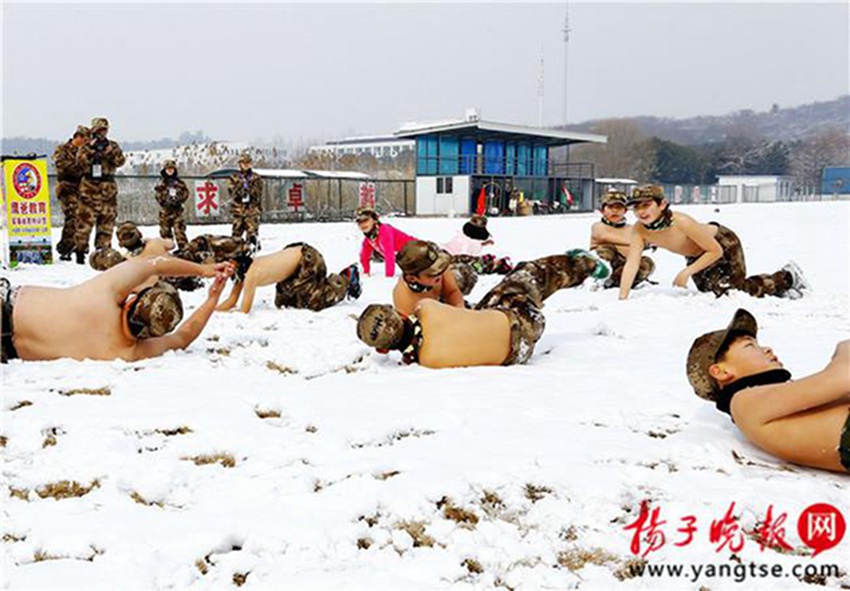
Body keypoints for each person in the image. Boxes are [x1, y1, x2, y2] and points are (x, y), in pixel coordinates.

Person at [356, 249, 610, 368]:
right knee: (526, 275)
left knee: (506, 289)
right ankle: (583, 264)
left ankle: (573, 266)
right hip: (519, 318)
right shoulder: (423, 307)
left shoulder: (428, 361)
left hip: (515, 353)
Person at [687, 308, 850, 473]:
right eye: (749, 345)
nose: (767, 349)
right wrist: (843, 348)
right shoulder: (743, 401)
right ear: (721, 372)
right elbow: (844, 377)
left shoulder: (761, 396)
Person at [0, 257, 233, 363]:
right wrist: (212, 299)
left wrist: (203, 270)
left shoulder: (104, 294)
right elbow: (183, 338)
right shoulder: (126, 352)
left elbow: (155, 263)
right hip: (6, 348)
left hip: (7, 304)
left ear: (132, 301)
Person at [618, 185, 808, 300]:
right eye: (636, 207)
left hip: (722, 243)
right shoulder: (639, 229)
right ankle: (776, 285)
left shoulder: (681, 221)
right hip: (696, 255)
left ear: (662, 204)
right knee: (710, 293)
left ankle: (786, 278)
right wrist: (623, 297)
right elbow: (632, 263)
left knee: (733, 292)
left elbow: (714, 250)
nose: (641, 212)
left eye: (646, 205)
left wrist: (686, 272)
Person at [216, 242, 360, 314]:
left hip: (307, 258)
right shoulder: (241, 273)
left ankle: (345, 279)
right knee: (285, 303)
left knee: (312, 303)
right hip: (293, 263)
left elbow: (244, 310)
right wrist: (212, 310)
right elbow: (231, 301)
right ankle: (321, 285)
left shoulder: (251, 274)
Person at [74, 117, 126, 263]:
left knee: (107, 222)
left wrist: (109, 152)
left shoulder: (112, 145)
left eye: (104, 130)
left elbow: (120, 161)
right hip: (90, 188)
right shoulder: (85, 146)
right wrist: (91, 150)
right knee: (85, 222)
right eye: (98, 130)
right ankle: (80, 251)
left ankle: (102, 253)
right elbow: (80, 163)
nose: (102, 133)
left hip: (108, 189)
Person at [588, 190, 655, 289]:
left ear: (625, 211)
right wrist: (639, 241)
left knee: (646, 262)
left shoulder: (631, 229)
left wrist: (649, 242)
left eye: (619, 207)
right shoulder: (598, 226)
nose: (615, 211)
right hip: (607, 263)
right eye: (610, 207)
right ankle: (599, 279)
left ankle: (624, 281)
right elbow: (604, 236)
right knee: (606, 249)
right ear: (602, 210)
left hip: (625, 264)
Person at [393, 240, 468, 317]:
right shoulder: (405, 302)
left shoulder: (439, 270)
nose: (440, 274)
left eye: (440, 267)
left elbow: (452, 291)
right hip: (425, 321)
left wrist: (459, 310)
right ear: (412, 279)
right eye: (432, 274)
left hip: (440, 303)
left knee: (463, 276)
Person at [52, 125, 89, 261]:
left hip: (82, 188)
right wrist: (81, 167)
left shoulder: (86, 152)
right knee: (72, 215)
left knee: (83, 218)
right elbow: (63, 165)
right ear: (77, 137)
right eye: (84, 139)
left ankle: (79, 247)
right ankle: (65, 247)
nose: (86, 143)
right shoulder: (62, 149)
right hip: (67, 187)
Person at [442, 214, 513, 275]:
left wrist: (482, 244)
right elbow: (468, 255)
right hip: (451, 260)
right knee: (478, 264)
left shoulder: (460, 235)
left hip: (445, 253)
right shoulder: (472, 245)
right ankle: (496, 265)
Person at [357, 207, 416, 277]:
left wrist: (389, 276)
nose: (362, 224)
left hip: (418, 250)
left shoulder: (384, 231)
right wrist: (366, 271)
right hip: (406, 260)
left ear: (375, 220)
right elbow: (364, 256)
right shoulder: (369, 239)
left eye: (365, 220)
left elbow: (389, 255)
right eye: (359, 222)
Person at [228, 152, 264, 250]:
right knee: (236, 235)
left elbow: (258, 193)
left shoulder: (256, 177)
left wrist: (250, 189)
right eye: (244, 163)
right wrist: (240, 188)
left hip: (251, 211)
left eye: (248, 163)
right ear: (240, 164)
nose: (246, 165)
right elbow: (231, 192)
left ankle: (252, 253)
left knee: (252, 234)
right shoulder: (234, 177)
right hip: (238, 211)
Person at [154, 159, 190, 250]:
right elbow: (157, 196)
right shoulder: (161, 183)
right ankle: (166, 253)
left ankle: (184, 251)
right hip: (165, 212)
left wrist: (178, 199)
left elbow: (186, 193)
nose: (170, 171)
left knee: (179, 232)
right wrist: (165, 200)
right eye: (168, 169)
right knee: (165, 233)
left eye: (172, 169)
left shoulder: (180, 183)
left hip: (177, 212)